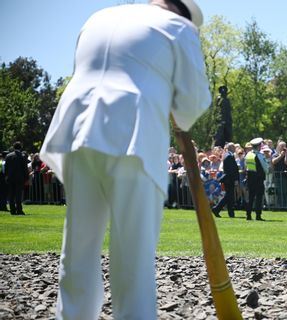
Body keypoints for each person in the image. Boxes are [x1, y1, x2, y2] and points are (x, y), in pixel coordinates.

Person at [39, 1, 210, 319]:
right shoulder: (179, 27)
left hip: (77, 129)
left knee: (78, 250)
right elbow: (192, 104)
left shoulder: (98, 17)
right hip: (133, 135)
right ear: (182, 13)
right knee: (134, 257)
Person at [212, 143, 239, 218]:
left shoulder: (227, 155)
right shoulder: (229, 156)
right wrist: (235, 179)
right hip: (229, 179)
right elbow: (232, 170)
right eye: (234, 147)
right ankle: (216, 209)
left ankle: (231, 213)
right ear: (231, 148)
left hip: (227, 178)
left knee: (230, 197)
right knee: (228, 196)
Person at [245, 138, 269, 220]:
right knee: (259, 197)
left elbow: (246, 166)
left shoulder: (248, 155)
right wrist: (267, 171)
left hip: (250, 178)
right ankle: (258, 215)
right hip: (258, 178)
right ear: (259, 146)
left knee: (250, 197)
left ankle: (248, 215)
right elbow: (265, 167)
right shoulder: (259, 155)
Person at [4, 142, 29, 215]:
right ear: (20, 147)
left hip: (11, 178)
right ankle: (19, 210)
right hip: (19, 178)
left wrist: (6, 176)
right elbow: (25, 168)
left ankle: (12, 210)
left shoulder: (8, 156)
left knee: (11, 194)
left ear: (13, 147)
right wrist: (26, 178)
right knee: (18, 194)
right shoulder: (22, 156)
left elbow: (6, 168)